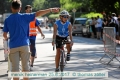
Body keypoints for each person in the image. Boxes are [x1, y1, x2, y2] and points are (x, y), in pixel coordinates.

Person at [3, 0, 59, 80]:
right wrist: (50, 9)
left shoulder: (7, 20)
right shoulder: (25, 16)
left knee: (15, 69)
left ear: (11, 7)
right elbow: (38, 13)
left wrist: (7, 38)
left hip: (13, 46)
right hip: (24, 45)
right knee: (25, 68)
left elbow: (5, 35)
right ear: (20, 8)